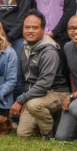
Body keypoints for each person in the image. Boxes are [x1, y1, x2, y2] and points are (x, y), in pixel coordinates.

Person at [10, 10, 70, 138]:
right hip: (36, 95)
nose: (30, 31)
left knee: (33, 105)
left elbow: (44, 84)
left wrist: (22, 100)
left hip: (57, 92)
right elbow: (26, 79)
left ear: (43, 30)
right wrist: (27, 97)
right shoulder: (25, 46)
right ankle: (45, 119)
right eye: (27, 27)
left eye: (35, 27)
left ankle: (48, 133)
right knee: (23, 133)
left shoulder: (49, 51)